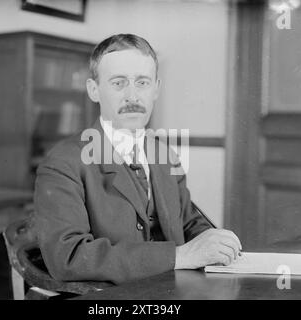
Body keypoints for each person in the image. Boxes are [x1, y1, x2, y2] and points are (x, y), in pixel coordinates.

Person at [33, 34, 242, 284]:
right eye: (118, 83)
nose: (133, 96)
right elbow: (68, 257)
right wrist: (179, 256)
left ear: (156, 89)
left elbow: (189, 222)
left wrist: (215, 244)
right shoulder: (63, 163)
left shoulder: (164, 155)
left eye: (142, 83)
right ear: (94, 90)